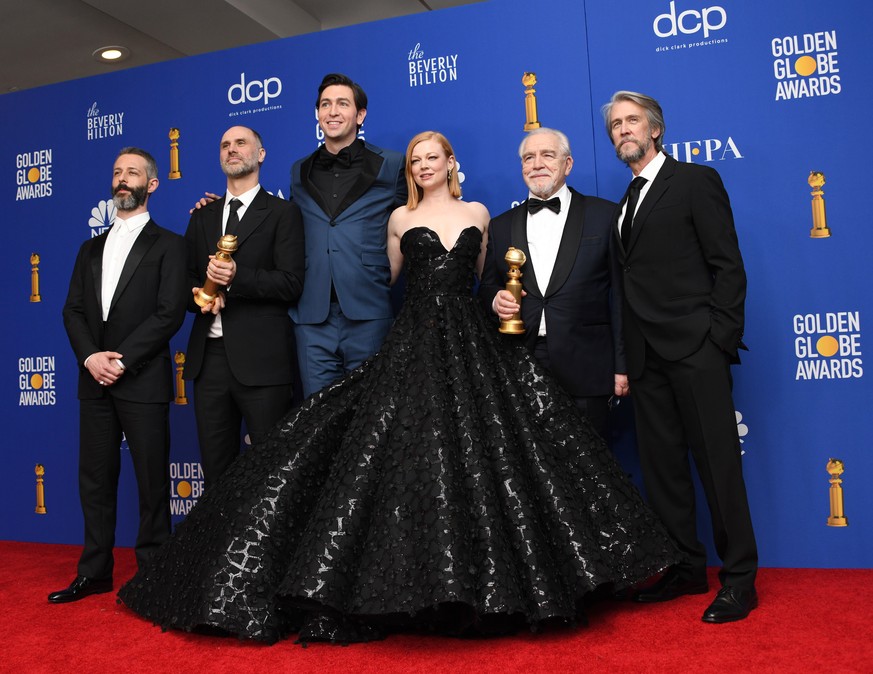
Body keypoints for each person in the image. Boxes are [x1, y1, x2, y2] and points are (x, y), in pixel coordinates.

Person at [118, 131, 679, 644]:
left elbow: (485, 283)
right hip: (411, 344)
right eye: (416, 159)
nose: (425, 165)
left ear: (451, 163)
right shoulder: (397, 219)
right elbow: (384, 280)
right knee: (396, 461)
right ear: (410, 169)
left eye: (433, 157)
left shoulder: (484, 215)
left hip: (476, 347)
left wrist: (497, 304)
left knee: (501, 456)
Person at [602, 91, 758, 622]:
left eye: (632, 121)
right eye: (616, 125)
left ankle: (739, 579)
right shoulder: (624, 203)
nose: (624, 130)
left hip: (695, 349)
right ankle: (687, 568)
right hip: (647, 360)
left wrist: (717, 338)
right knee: (664, 471)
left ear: (656, 129)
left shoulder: (695, 181)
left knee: (718, 468)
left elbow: (728, 265)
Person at [51, 148, 187, 603]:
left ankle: (154, 572)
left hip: (142, 379)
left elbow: (169, 315)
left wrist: (121, 359)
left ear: (152, 184)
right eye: (116, 172)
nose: (122, 180)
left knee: (151, 481)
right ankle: (95, 571)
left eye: (132, 173)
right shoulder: (88, 248)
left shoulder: (170, 244)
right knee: (95, 477)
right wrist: (92, 358)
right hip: (93, 380)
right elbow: (72, 311)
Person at [479, 128, 625, 439]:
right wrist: (496, 300)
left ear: (568, 164)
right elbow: (488, 286)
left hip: (587, 362)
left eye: (548, 155)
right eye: (528, 158)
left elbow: (622, 297)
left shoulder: (605, 215)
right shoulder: (501, 225)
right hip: (522, 360)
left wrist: (622, 366)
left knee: (593, 467)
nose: (537, 164)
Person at [183, 126, 305, 486]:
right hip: (209, 363)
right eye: (224, 145)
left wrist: (237, 278)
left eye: (240, 143)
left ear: (261, 154)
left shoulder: (283, 213)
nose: (231, 150)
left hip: (264, 363)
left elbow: (291, 284)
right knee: (216, 472)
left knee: (270, 472)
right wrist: (203, 299)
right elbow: (184, 285)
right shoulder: (201, 216)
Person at [289, 73, 407, 398]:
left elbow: (412, 223)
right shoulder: (299, 171)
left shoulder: (392, 165)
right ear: (317, 114)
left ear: (360, 114)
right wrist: (226, 210)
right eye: (325, 104)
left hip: (368, 309)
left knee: (371, 415)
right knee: (317, 417)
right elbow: (282, 224)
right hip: (311, 314)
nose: (333, 111)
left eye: (343, 103)